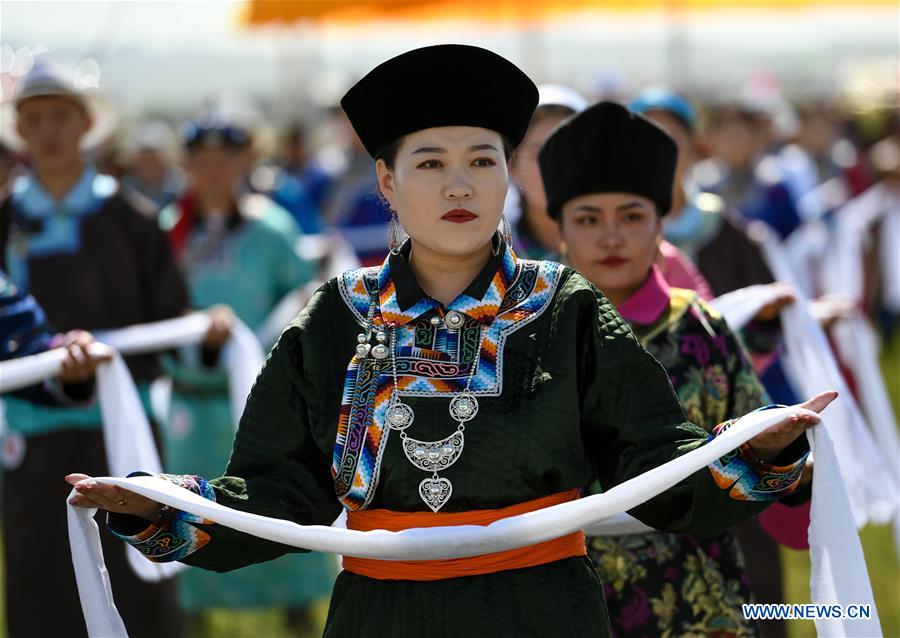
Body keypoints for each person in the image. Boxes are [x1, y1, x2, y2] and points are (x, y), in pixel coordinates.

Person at [68, 45, 833, 638]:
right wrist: (158, 504)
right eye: (430, 163)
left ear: (509, 178)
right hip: (383, 616)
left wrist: (753, 452)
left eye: (481, 161)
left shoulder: (564, 309)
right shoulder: (336, 318)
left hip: (543, 613)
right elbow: (276, 494)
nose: (459, 186)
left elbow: (655, 464)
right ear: (386, 181)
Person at [541, 100, 812, 637]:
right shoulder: (530, 331)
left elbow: (759, 457)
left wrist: (784, 455)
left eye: (632, 216)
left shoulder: (701, 329)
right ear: (561, 232)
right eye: (589, 219)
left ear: (661, 224)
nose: (611, 237)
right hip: (563, 590)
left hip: (696, 590)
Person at [0, 60, 187, 638]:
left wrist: (200, 339)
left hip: (122, 429)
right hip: (32, 436)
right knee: (40, 583)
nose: (48, 131)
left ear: (85, 123)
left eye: (60, 116)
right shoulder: (4, 221)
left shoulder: (133, 220)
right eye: (35, 119)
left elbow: (169, 321)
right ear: (20, 130)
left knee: (137, 586)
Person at [157, 112, 333, 633]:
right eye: (202, 159)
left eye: (226, 158)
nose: (214, 170)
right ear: (186, 164)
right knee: (189, 500)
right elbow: (152, 306)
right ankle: (196, 613)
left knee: (277, 498)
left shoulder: (272, 228)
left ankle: (298, 608)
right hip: (193, 399)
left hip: (265, 399)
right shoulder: (168, 232)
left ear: (246, 161)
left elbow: (303, 301)